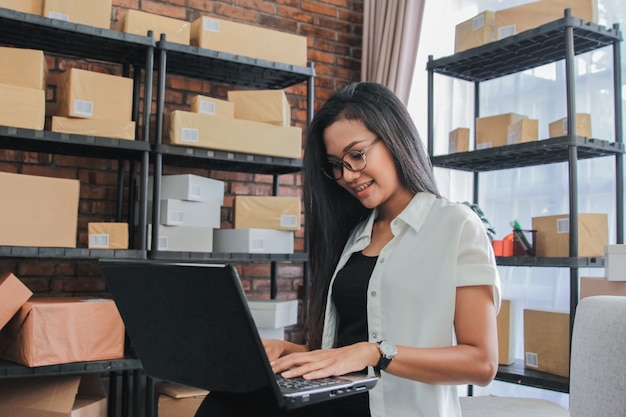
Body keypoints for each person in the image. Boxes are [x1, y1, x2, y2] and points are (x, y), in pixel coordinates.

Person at [195, 82, 501, 417]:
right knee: (225, 402)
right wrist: (286, 350)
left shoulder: (455, 225)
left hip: (396, 410)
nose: (347, 175)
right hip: (336, 401)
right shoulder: (354, 234)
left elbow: (482, 363)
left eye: (356, 155)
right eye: (336, 165)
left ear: (394, 138)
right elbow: (342, 350)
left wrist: (378, 354)